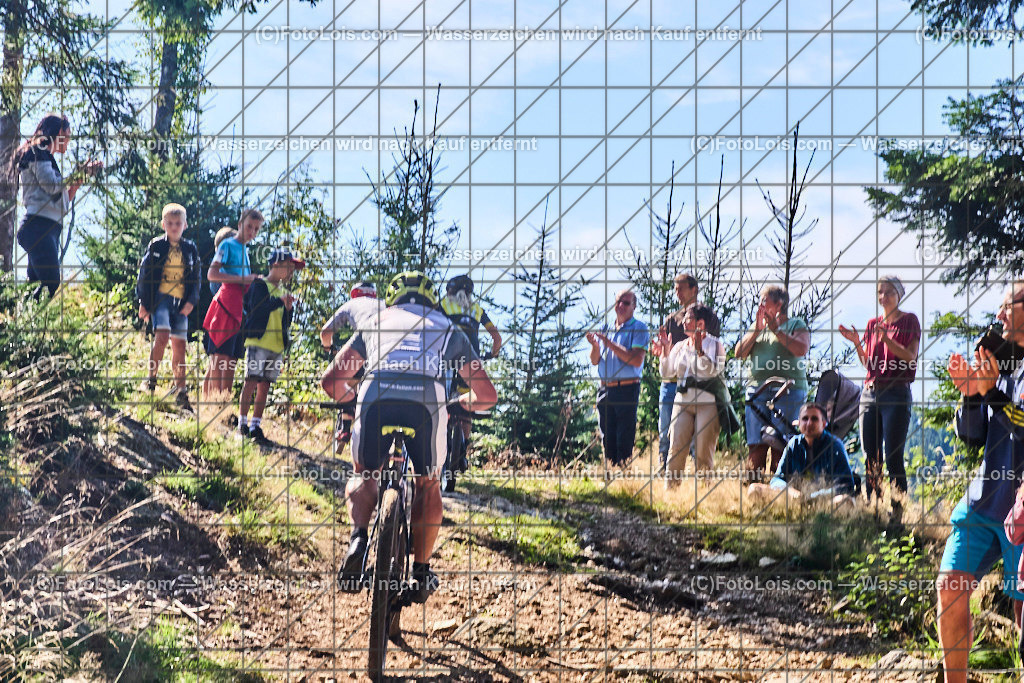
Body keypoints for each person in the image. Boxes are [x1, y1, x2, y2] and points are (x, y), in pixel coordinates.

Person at [321, 271, 497, 603]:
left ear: (392, 296)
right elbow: (486, 395)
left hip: (376, 392)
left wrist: (353, 400)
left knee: (364, 473)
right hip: (427, 401)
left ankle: (358, 539)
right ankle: (421, 570)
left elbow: (331, 381)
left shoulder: (376, 320)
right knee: (428, 482)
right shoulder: (449, 329)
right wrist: (461, 403)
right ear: (433, 299)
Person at [937, 281, 1024, 683]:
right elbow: (974, 438)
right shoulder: (1002, 365)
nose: (1000, 313)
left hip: (1021, 511)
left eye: (1009, 304)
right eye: (1000, 306)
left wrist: (990, 394)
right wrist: (972, 395)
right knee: (949, 589)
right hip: (984, 500)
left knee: (1021, 608)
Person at [839, 275, 920, 511]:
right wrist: (857, 343)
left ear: (899, 295)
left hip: (896, 394)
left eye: (888, 292)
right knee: (871, 457)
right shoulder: (872, 324)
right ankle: (873, 508)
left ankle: (898, 513)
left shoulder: (909, 321)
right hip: (870, 394)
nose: (883, 297)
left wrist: (887, 339)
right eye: (879, 292)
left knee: (893, 455)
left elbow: (910, 357)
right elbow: (869, 364)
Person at [11, 113, 101, 297]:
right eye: (67, 136)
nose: (68, 141)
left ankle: (23, 320)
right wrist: (78, 173)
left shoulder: (47, 159)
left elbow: (61, 203)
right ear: (60, 132)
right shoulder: (38, 152)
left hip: (47, 229)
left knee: (37, 286)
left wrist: (81, 177)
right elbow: (51, 186)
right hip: (38, 227)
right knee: (51, 282)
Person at [734, 284, 810, 480]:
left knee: (781, 443)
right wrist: (757, 331)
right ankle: (753, 488)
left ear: (779, 303)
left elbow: (801, 349)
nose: (760, 304)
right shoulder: (757, 327)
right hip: (758, 391)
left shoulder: (796, 324)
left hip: (788, 391)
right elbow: (739, 353)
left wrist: (776, 330)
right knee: (756, 442)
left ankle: (779, 490)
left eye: (764, 300)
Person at [135, 203, 202, 411]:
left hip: (181, 303)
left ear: (185, 225)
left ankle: (181, 392)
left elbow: (197, 278)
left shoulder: (190, 249)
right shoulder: (157, 247)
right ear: (164, 225)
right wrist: (144, 303)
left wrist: (191, 301)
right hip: (161, 300)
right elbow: (144, 275)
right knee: (162, 337)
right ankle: (151, 380)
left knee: (179, 346)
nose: (174, 227)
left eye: (178, 224)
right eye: (170, 224)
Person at [237, 246, 303, 443]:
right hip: (259, 341)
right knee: (251, 380)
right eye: (288, 267)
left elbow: (284, 321)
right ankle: (242, 423)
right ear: (276, 265)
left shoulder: (284, 292)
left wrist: (288, 309)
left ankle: (256, 424)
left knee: (265, 385)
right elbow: (257, 309)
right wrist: (279, 302)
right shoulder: (259, 285)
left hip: (276, 345)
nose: (291, 272)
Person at [656, 303, 726, 481]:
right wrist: (665, 350)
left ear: (700, 323)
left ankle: (703, 494)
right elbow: (666, 372)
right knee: (676, 447)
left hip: (708, 403)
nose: (683, 323)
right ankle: (671, 495)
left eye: (688, 319)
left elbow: (712, 371)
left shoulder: (716, 345)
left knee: (703, 451)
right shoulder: (680, 346)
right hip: (682, 401)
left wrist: (700, 351)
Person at [439, 274, 502, 463]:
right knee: (467, 405)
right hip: (470, 362)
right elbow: (497, 338)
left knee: (440, 400)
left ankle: (437, 442)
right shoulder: (477, 309)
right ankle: (463, 449)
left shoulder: (442, 304)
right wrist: (493, 353)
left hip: (446, 359)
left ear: (449, 290)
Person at [202, 209, 263, 400]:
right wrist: (242, 279)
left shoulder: (245, 250)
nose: (252, 232)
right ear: (239, 225)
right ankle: (212, 405)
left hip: (239, 310)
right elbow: (212, 274)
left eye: (256, 229)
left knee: (231, 360)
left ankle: (224, 404)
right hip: (225, 305)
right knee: (220, 357)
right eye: (249, 227)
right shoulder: (227, 244)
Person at [747, 402, 857, 507]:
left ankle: (819, 516)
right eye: (805, 419)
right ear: (799, 423)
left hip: (824, 500)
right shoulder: (793, 444)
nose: (809, 423)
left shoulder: (835, 445)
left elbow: (846, 486)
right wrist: (790, 492)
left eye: (814, 419)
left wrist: (813, 497)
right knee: (754, 490)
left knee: (846, 501)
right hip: (795, 499)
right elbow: (776, 480)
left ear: (824, 424)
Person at [587, 289, 649, 470]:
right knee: (607, 436)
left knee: (624, 436)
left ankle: (624, 477)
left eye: (626, 303)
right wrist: (595, 346)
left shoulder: (639, 328)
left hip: (627, 389)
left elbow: (636, 359)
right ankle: (610, 476)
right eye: (618, 302)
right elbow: (594, 360)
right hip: (605, 389)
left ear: (634, 307)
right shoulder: (606, 328)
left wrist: (609, 343)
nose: (621, 306)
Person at [319, 281, 384, 445]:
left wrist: (329, 348)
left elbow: (326, 332)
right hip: (390, 349)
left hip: (365, 344)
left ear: (354, 293)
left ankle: (346, 426)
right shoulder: (385, 304)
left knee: (346, 378)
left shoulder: (351, 304)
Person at [650, 273, 703, 470]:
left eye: (681, 288)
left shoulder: (707, 317)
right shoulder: (672, 319)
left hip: (693, 385)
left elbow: (710, 350)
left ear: (694, 290)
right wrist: (659, 351)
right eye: (675, 289)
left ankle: (699, 476)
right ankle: (663, 469)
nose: (677, 293)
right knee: (665, 432)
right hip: (669, 383)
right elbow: (665, 349)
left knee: (696, 434)